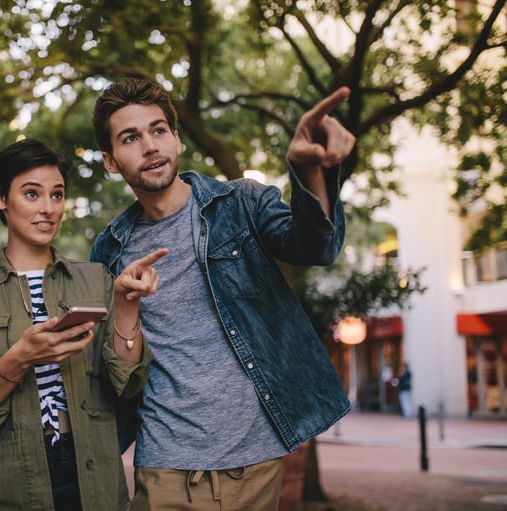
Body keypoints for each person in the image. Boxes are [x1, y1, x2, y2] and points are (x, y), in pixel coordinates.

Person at [89, 77, 356, 511]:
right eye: (130, 138)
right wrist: (125, 305)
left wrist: (307, 171)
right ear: (110, 160)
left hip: (256, 463)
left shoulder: (241, 203)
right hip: (165, 464)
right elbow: (120, 374)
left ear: (177, 139)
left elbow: (316, 248)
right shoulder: (111, 249)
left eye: (158, 130)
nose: (150, 146)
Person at [0, 139, 167, 511]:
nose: (48, 208)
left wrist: (126, 306)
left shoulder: (95, 279)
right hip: (5, 482)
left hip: (94, 478)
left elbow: (127, 384)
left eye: (57, 195)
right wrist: (19, 359)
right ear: (0, 198)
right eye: (32, 194)